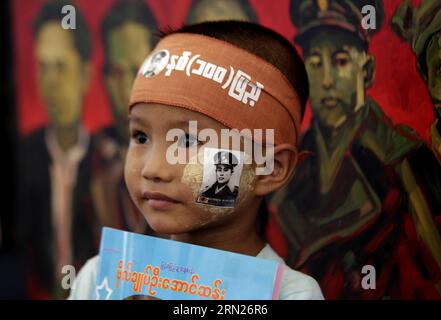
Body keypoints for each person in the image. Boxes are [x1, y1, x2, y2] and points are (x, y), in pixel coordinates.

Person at [69, 20, 324, 300]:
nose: (153, 169)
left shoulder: (291, 294)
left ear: (268, 168)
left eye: (188, 141)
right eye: (140, 137)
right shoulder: (99, 280)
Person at [269, 0, 440, 299]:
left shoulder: (405, 164)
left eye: (341, 61)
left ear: (368, 70)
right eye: (315, 62)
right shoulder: (287, 173)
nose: (326, 80)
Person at [17, 0, 96, 299]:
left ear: (86, 74)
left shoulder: (108, 160)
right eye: (43, 67)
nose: (50, 82)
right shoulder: (22, 157)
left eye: (61, 66)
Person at [91, 0, 158, 234]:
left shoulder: (187, 154)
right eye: (116, 73)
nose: (127, 90)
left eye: (138, 71)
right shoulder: (91, 162)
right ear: (104, 77)